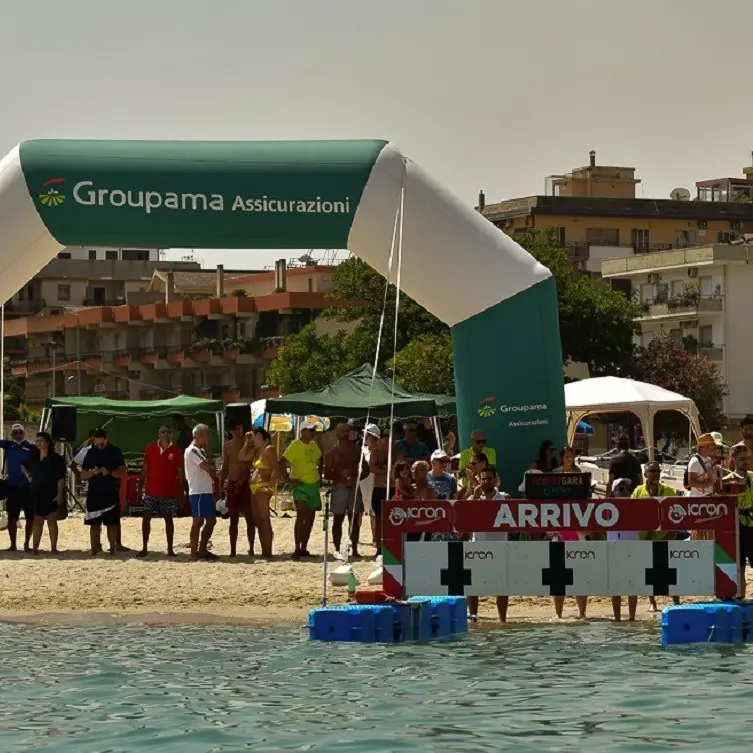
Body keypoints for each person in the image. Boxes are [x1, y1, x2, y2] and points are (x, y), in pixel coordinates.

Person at [633, 461, 681, 611]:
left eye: (658, 471)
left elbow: (676, 516)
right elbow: (631, 515)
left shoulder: (669, 491)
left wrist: (669, 536)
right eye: (652, 471)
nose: (655, 474)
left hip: (666, 538)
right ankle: (652, 603)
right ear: (645, 474)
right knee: (649, 573)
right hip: (646, 539)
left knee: (670, 573)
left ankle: (676, 602)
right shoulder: (638, 492)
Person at [467, 465, 509, 623]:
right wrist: (475, 497)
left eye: (489, 478)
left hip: (500, 547)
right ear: (479, 479)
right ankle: (473, 617)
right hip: (478, 547)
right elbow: (465, 518)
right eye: (483, 478)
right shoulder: (474, 498)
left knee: (502, 586)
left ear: (495, 479)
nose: (486, 482)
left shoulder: (505, 497)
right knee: (473, 585)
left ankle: (502, 619)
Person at [278, 421, 322, 559]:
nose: (313, 433)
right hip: (300, 485)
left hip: (313, 485)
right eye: (310, 430)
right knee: (301, 516)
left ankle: (304, 548)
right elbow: (281, 461)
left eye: (313, 430)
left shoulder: (314, 445)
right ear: (302, 431)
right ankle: (297, 548)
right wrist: (287, 479)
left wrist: (320, 474)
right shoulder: (295, 445)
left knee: (310, 519)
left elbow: (321, 459)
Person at [137, 425, 184, 557]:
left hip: (168, 491)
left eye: (169, 432)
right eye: (163, 431)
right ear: (158, 434)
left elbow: (181, 473)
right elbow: (145, 469)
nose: (166, 434)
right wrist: (140, 487)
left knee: (168, 520)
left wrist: (181, 492)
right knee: (146, 518)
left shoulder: (176, 451)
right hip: (151, 490)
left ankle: (170, 548)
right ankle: (144, 547)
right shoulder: (150, 448)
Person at [80, 429, 126, 555]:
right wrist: (92, 473)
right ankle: (94, 549)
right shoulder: (90, 453)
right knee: (94, 524)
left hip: (110, 491)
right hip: (94, 492)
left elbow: (122, 472)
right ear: (93, 441)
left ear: (106, 439)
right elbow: (83, 475)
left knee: (112, 523)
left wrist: (109, 472)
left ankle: (112, 549)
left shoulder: (115, 451)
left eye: (102, 444)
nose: (99, 446)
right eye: (97, 444)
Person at [323, 423, 366, 558]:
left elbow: (366, 470)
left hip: (353, 486)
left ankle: (354, 549)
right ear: (337, 434)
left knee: (353, 520)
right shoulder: (331, 453)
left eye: (347, 431)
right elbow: (326, 474)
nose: (344, 434)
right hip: (339, 487)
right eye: (341, 431)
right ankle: (336, 548)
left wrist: (355, 476)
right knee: (338, 519)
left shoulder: (358, 451)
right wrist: (339, 475)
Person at [21, 432, 66, 554]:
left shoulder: (56, 459)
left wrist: (59, 494)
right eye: (37, 440)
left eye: (41, 440)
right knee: (38, 521)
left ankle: (53, 548)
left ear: (48, 442)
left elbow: (61, 478)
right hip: (36, 492)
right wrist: (28, 476)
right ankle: (35, 548)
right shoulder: (33, 456)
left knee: (52, 520)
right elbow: (23, 466)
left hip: (51, 492)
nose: (38, 443)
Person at [0, 423, 37, 551]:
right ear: (11, 434)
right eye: (15, 433)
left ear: (24, 433)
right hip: (13, 486)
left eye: (20, 432)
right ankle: (13, 545)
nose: (18, 435)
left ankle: (27, 543)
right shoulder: (8, 445)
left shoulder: (32, 447)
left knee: (30, 517)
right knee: (12, 517)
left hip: (28, 487)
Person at [184, 423, 218, 560]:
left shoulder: (201, 451)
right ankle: (194, 552)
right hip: (198, 491)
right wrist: (210, 465)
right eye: (206, 435)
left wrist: (211, 466)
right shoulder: (192, 450)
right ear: (198, 435)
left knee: (211, 520)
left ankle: (202, 549)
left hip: (206, 490)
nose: (207, 439)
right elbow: (207, 466)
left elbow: (212, 468)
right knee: (198, 521)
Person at [723, 445, 753, 596]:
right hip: (736, 528)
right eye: (742, 459)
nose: (745, 462)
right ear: (733, 459)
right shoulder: (727, 481)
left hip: (752, 526)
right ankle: (741, 596)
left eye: (747, 459)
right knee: (739, 566)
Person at [221, 422, 254, 557]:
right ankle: (233, 550)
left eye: (238, 428)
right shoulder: (227, 446)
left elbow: (251, 463)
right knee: (233, 518)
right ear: (231, 430)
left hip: (245, 482)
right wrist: (221, 483)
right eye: (234, 429)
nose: (237, 431)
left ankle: (251, 547)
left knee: (249, 518)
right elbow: (225, 466)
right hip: (233, 483)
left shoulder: (249, 443)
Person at [244, 427, 277, 558]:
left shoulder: (269, 449)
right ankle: (265, 549)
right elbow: (242, 456)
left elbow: (276, 468)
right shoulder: (258, 450)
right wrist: (247, 442)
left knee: (264, 520)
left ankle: (268, 551)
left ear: (258, 435)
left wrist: (271, 487)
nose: (252, 439)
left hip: (263, 486)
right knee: (257, 520)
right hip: (255, 487)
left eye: (253, 436)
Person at [368, 428, 391, 556]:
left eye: (389, 435)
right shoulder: (376, 452)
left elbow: (398, 468)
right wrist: (387, 471)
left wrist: (382, 468)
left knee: (393, 520)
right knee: (379, 519)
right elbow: (372, 467)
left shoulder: (397, 451)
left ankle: (391, 547)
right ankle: (379, 549)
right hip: (379, 488)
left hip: (393, 488)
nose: (387, 438)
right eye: (384, 435)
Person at [358, 423, 380, 547]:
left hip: (374, 483)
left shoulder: (380, 451)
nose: (364, 437)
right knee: (359, 510)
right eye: (364, 435)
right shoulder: (362, 450)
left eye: (367, 435)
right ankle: (355, 538)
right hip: (362, 483)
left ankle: (375, 539)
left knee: (374, 512)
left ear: (374, 437)